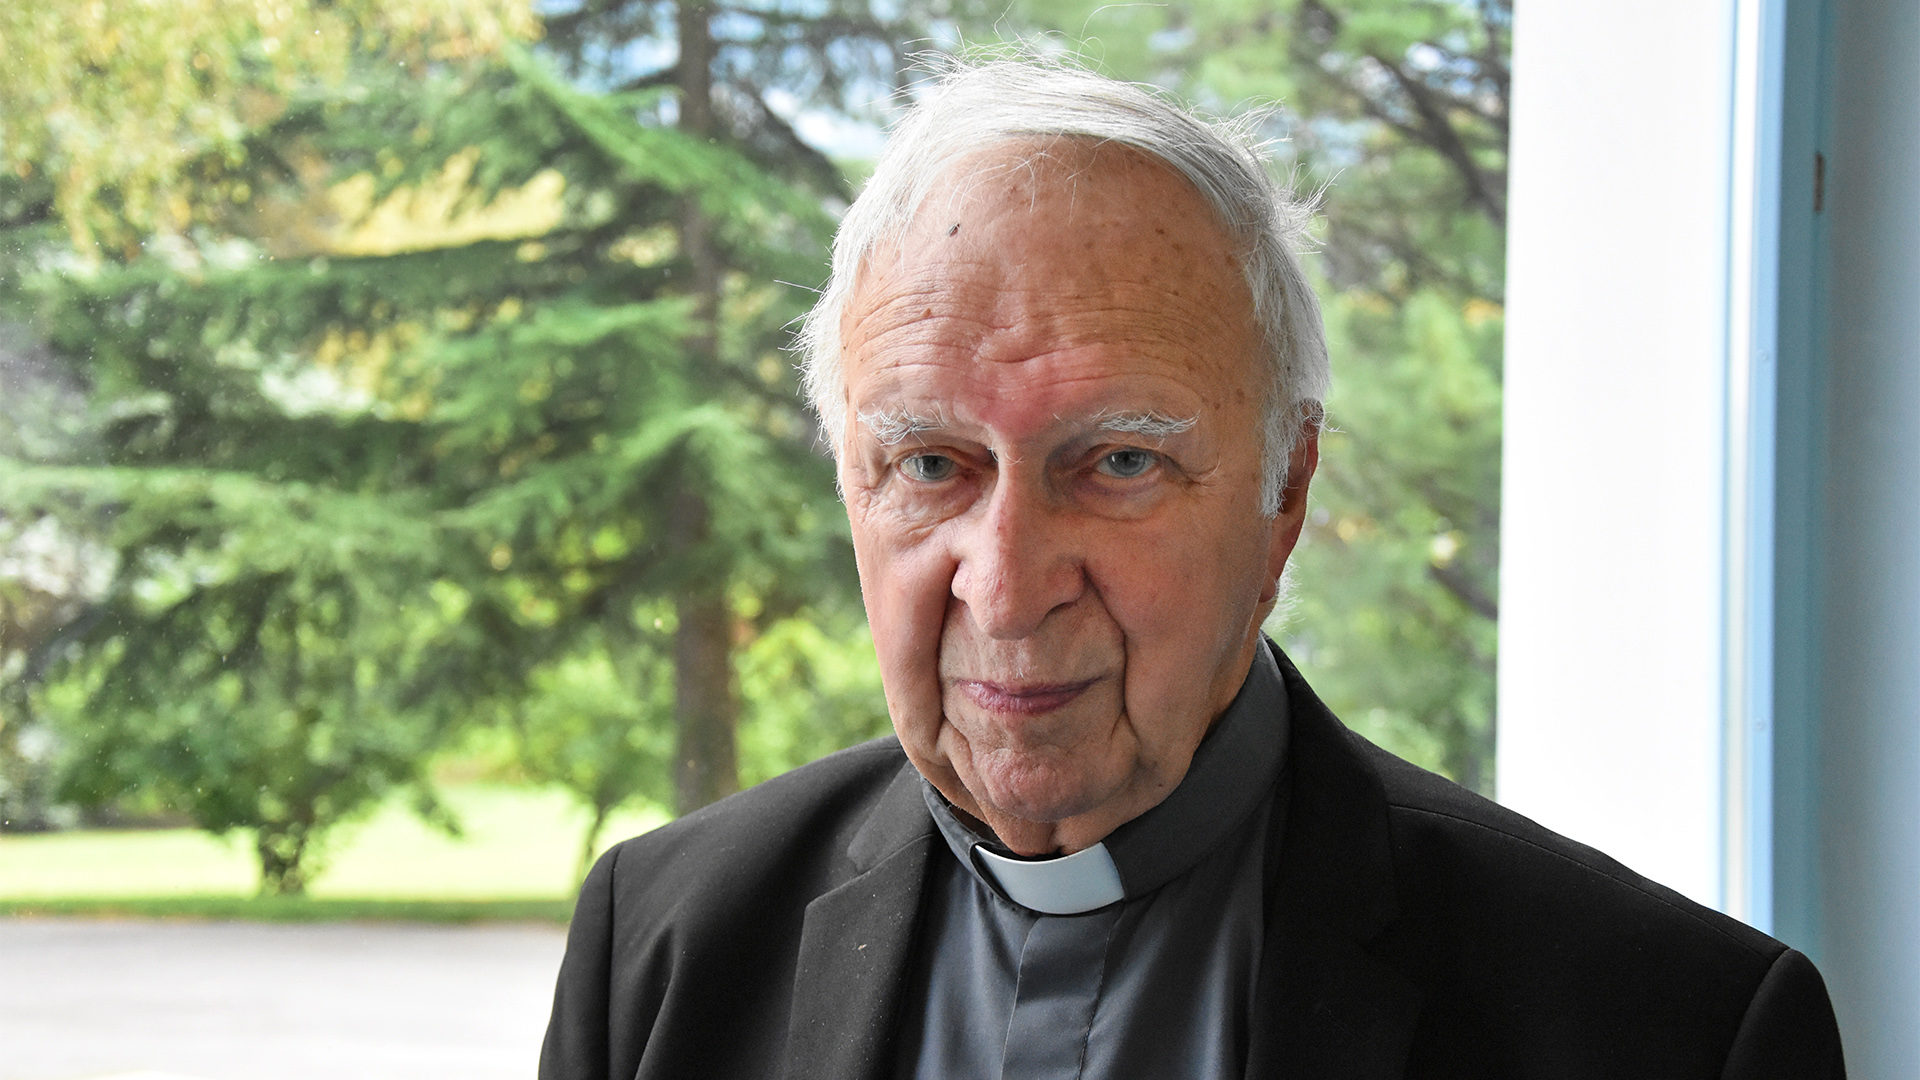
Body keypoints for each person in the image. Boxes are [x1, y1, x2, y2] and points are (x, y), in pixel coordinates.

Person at [539, 59, 1845, 1080]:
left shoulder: (1665, 1032)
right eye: (931, 464)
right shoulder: (659, 945)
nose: (1005, 584)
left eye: (1116, 464)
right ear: (851, 489)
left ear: (1284, 498)